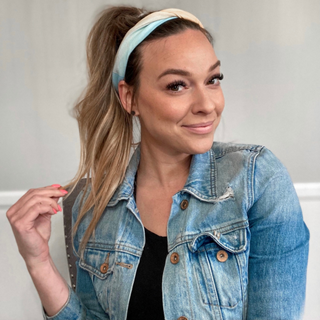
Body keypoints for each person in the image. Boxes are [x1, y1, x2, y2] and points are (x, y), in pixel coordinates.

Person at [6, 6, 309, 320]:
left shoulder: (257, 181)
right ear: (130, 98)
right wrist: (37, 261)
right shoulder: (95, 205)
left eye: (213, 79)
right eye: (177, 85)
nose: (207, 105)